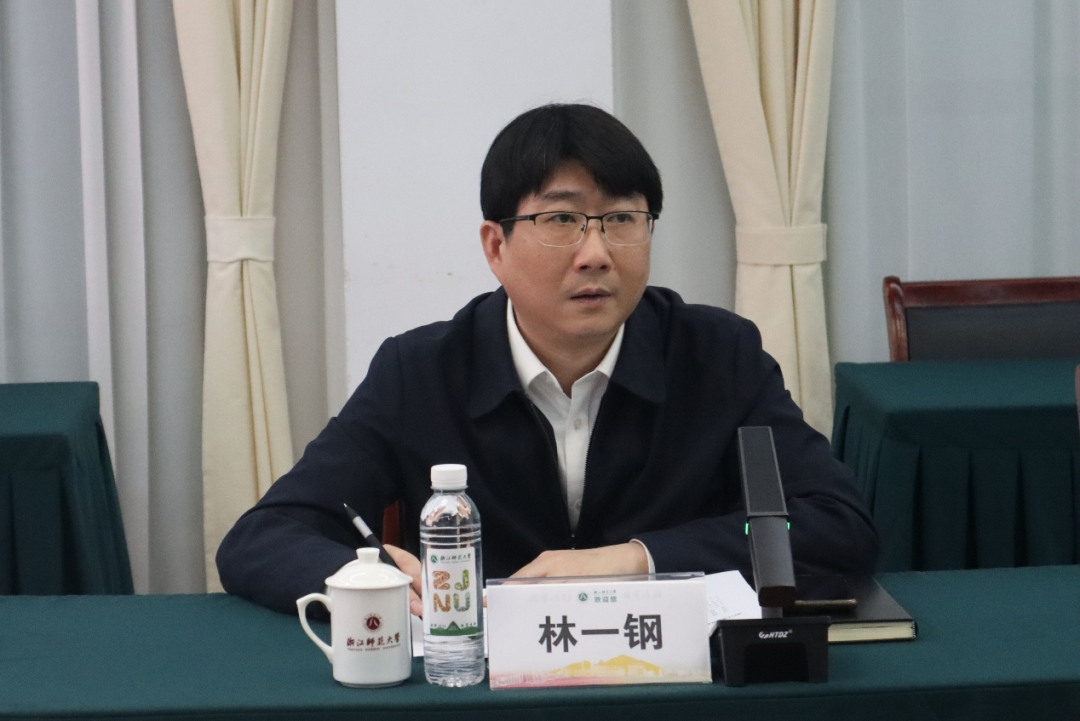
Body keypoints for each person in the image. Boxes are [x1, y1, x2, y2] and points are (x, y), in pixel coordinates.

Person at [217, 104, 877, 616]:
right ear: (495, 246)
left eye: (622, 219)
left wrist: (635, 560)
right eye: (562, 221)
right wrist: (363, 576)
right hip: (483, 689)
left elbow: (836, 524)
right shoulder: (420, 373)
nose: (597, 253)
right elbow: (263, 537)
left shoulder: (718, 356)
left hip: (668, 683)